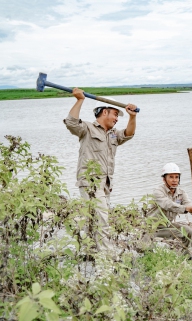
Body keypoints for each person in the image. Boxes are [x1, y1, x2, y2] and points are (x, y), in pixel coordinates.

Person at [64, 88, 138, 252]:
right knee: (102, 220)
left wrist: (133, 116)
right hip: (90, 183)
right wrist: (79, 100)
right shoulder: (88, 129)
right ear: (105, 111)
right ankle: (107, 259)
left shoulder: (113, 134)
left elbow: (129, 134)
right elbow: (71, 123)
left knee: (93, 220)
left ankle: (89, 253)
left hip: (105, 185)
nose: (117, 119)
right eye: (115, 114)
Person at [147, 163, 192, 254]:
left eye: (177, 177)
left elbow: (188, 203)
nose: (174, 180)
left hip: (167, 226)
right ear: (164, 179)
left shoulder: (181, 192)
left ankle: (187, 255)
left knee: (189, 231)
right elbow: (168, 205)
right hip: (152, 228)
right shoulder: (158, 191)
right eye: (171, 177)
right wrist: (186, 209)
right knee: (142, 248)